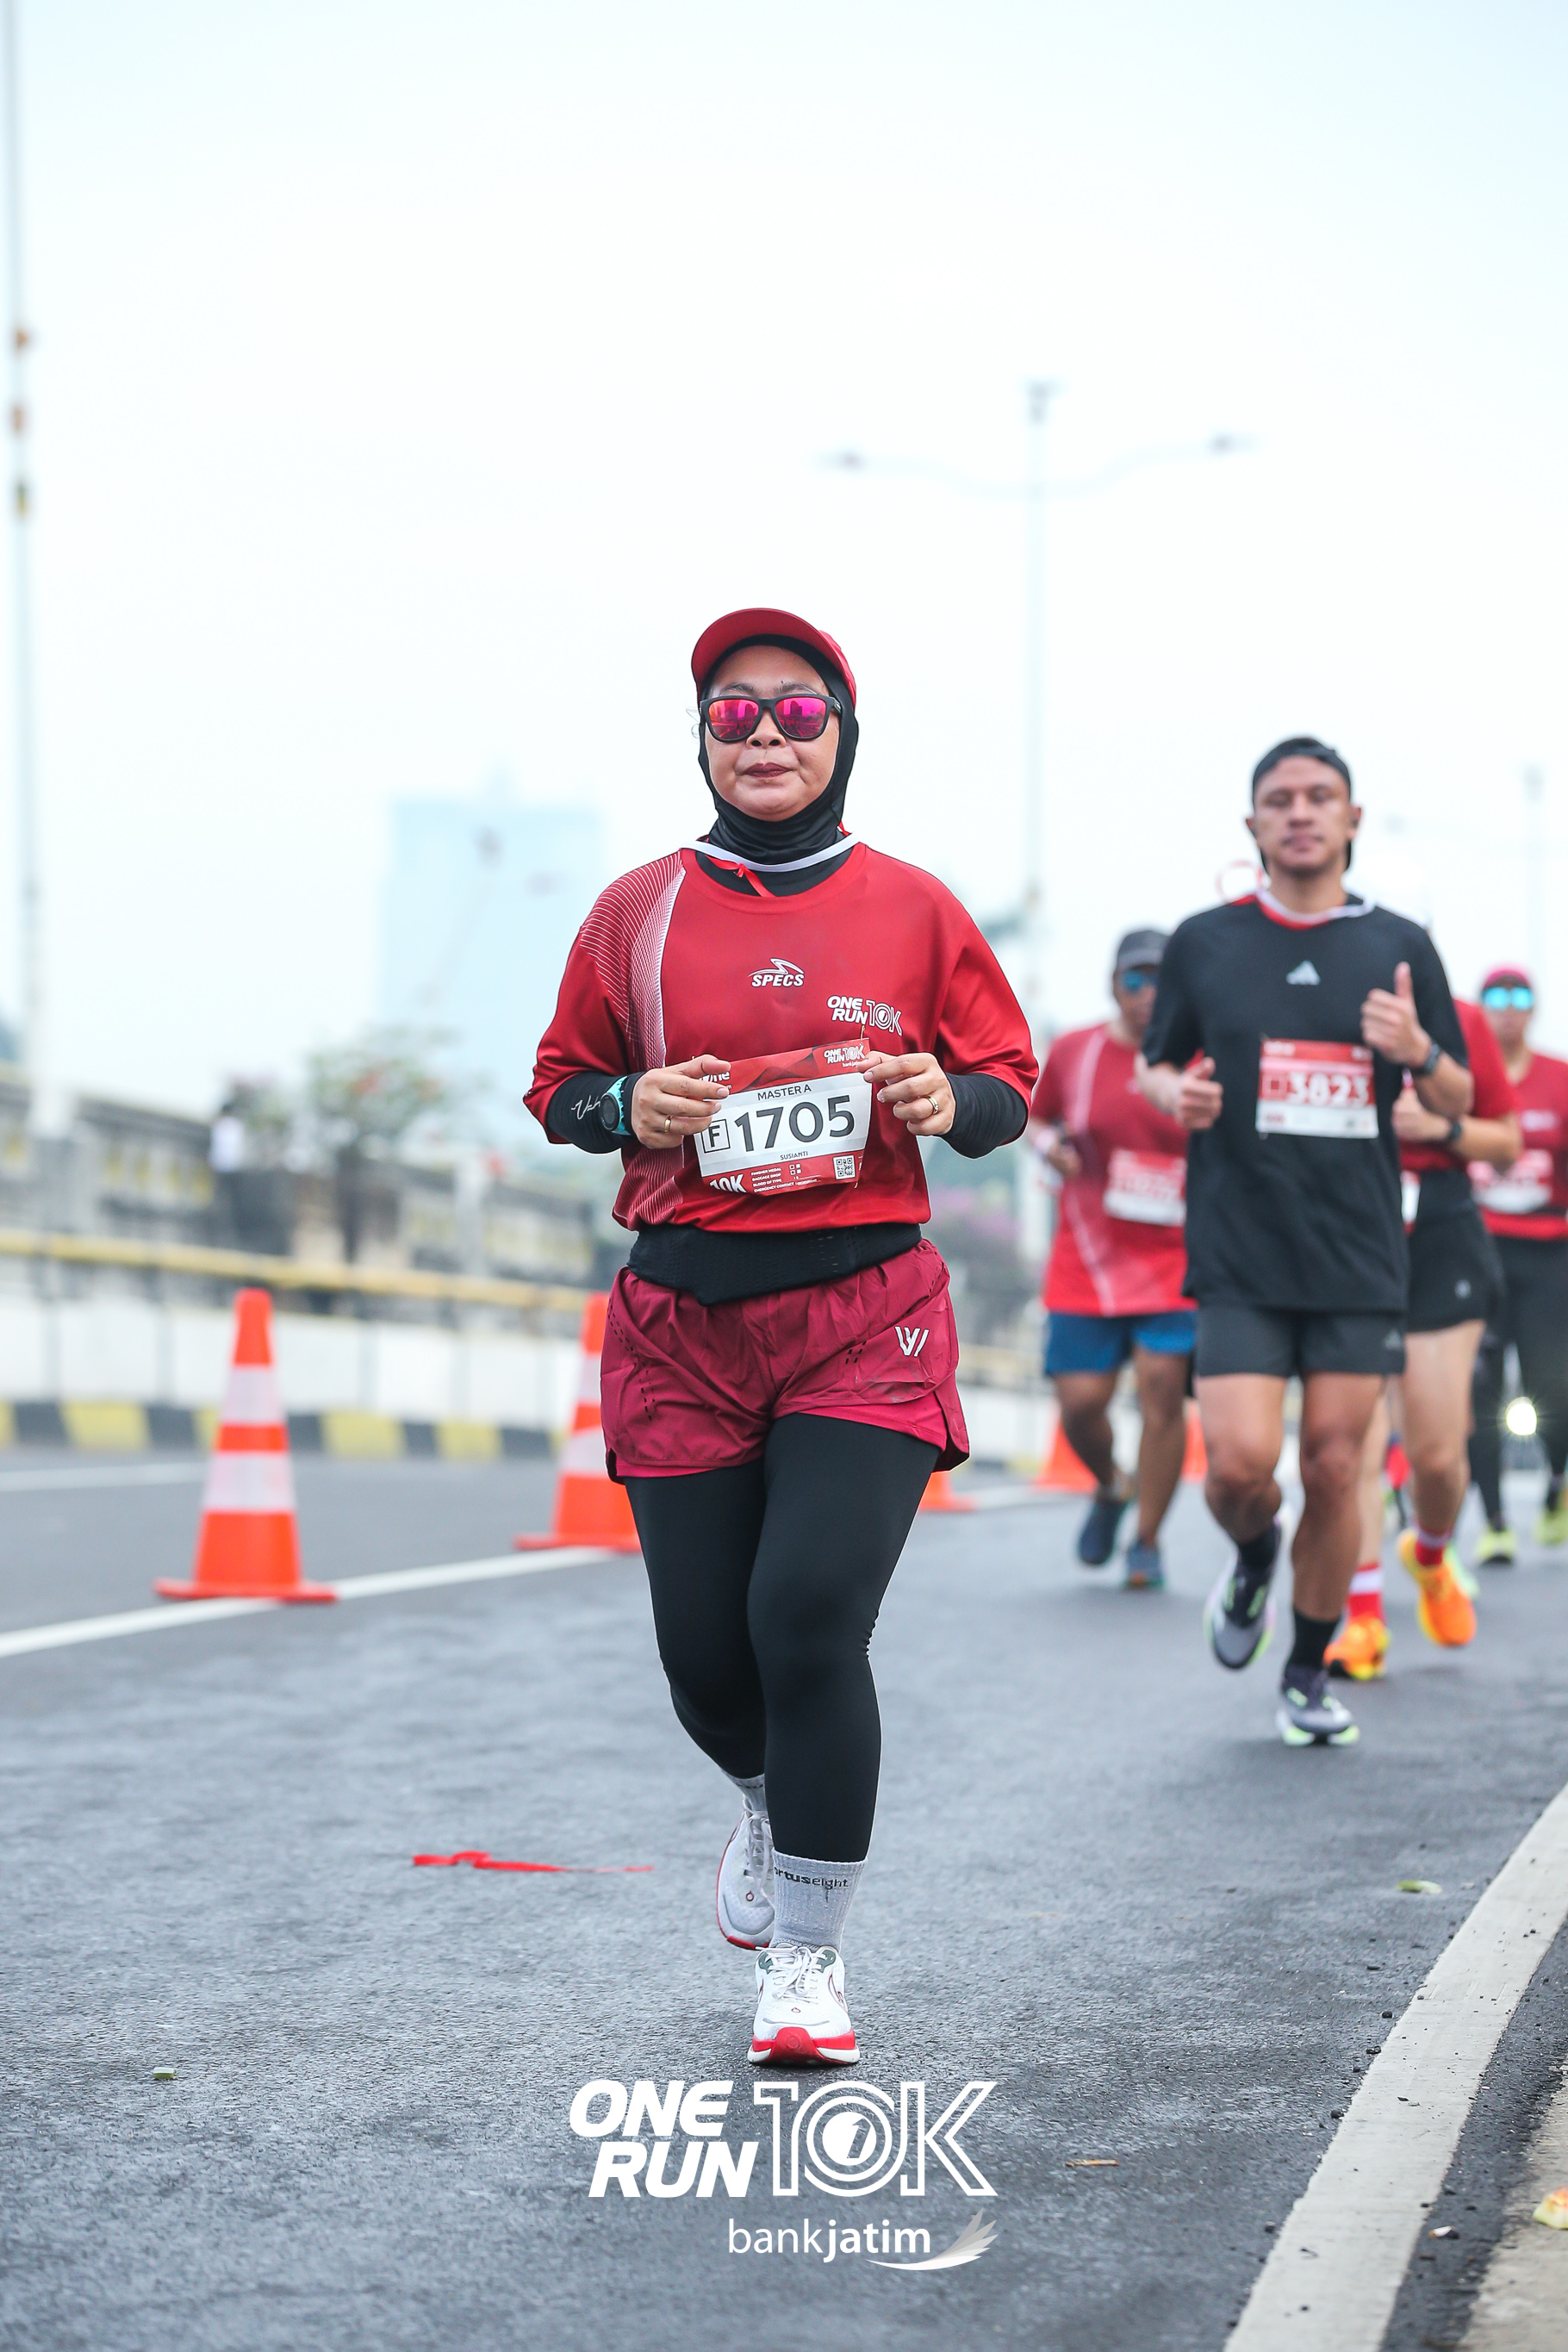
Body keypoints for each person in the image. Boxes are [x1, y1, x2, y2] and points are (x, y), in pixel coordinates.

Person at [526, 608, 1035, 2067]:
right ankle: (765, 1797)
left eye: (798, 712)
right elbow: (560, 1087)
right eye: (735, 712)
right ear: (700, 740)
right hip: (681, 1323)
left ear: (842, 736)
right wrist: (631, 1106)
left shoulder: (916, 908)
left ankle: (807, 1961)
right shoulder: (635, 911)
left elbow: (1005, 1084)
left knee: (806, 1617)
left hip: (865, 1314)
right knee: (707, 1661)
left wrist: (947, 1098)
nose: (766, 735)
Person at [1136, 736, 1471, 1747]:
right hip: (1239, 1247)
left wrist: (1417, 1050)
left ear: (1350, 819)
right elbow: (1154, 1064)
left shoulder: (1398, 945)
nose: (1298, 812)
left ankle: (1304, 1670)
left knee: (1333, 1464)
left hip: (1356, 1252)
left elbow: (1458, 1093)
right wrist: (1174, 1093)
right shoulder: (1203, 942)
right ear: (1252, 824)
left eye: (1319, 796)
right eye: (1278, 799)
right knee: (1239, 1469)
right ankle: (1251, 1562)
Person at [1327, 994, 1517, 1678]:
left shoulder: (1460, 1019)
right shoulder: (1314, 1005)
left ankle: (1431, 1554)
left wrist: (1440, 1126)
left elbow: (1508, 1143)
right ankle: (1363, 1619)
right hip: (1347, 1226)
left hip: (1440, 1234)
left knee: (1437, 1456)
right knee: (1353, 1445)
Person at [1029, 928, 1195, 1590]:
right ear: (1113, 985)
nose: (1148, 993)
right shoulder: (1077, 1051)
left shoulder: (1201, 1056)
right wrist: (1050, 1150)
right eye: (1135, 979)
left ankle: (1147, 1542)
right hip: (1089, 1256)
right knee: (1079, 1403)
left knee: (1162, 1389)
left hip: (1176, 1257)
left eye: (1161, 979)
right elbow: (1034, 1119)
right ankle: (1110, 1484)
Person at [1467, 967, 1568, 1561]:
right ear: (1480, 1010)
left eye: (1520, 997)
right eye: (1496, 998)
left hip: (1547, 1252)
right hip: (1479, 1254)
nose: (1508, 1008)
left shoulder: (1558, 1078)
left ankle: (1556, 1484)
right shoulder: (1463, 1078)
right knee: (1478, 1386)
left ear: (1533, 1009)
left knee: (1550, 1382)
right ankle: (1495, 1521)